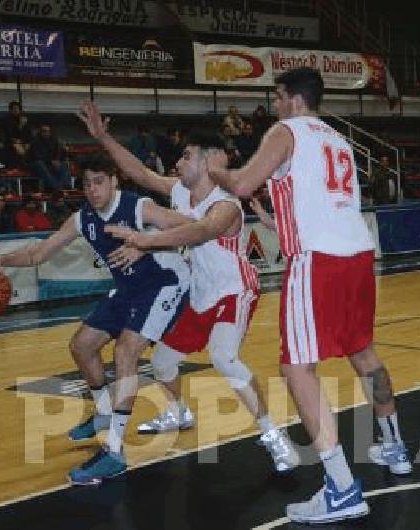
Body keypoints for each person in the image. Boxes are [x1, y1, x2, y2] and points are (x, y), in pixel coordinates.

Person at [209, 67, 411, 524]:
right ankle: (394, 444)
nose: (274, 106)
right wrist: (272, 218)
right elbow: (320, 205)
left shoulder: (286, 131)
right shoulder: (337, 139)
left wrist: (216, 172)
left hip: (317, 262)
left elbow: (241, 184)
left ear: (293, 99)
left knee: (295, 366)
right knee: (365, 354)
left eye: (277, 97)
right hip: (358, 254)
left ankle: (341, 486)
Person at [79, 101, 299, 473]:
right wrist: (104, 139)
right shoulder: (181, 193)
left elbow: (200, 231)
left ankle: (273, 434)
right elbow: (142, 174)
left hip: (234, 290)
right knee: (162, 362)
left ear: (210, 162)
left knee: (223, 356)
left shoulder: (226, 204)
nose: (178, 163)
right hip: (200, 295)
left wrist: (144, 240)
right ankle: (178, 411)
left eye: (186, 156)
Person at [0, 154, 191, 486]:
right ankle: (103, 413)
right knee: (81, 346)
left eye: (99, 181)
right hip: (129, 289)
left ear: (114, 181)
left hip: (164, 283)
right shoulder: (82, 219)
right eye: (87, 183)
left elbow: (189, 226)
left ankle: (115, 453)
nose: (93, 189)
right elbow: (37, 254)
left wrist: (144, 245)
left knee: (125, 352)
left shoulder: (138, 207)